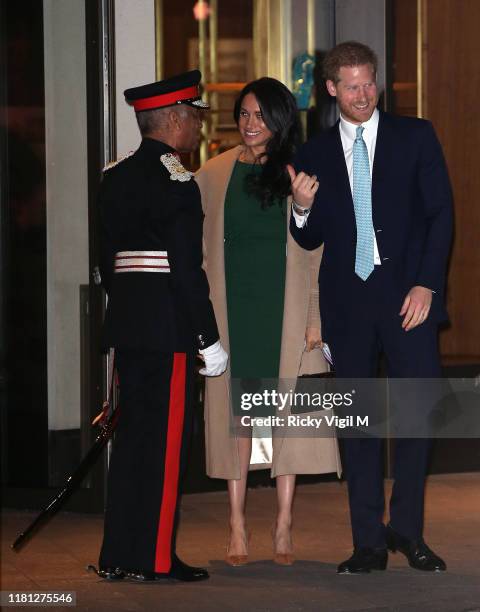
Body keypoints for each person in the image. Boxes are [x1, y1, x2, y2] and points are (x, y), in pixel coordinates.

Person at [289, 41, 453, 574]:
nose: (364, 95)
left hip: (409, 299)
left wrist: (427, 285)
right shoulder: (311, 153)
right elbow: (311, 239)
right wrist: (301, 207)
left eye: (370, 83)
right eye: (352, 86)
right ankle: (368, 542)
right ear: (332, 88)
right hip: (349, 304)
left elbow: (440, 216)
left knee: (415, 415)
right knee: (357, 423)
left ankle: (407, 530)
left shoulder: (416, 135)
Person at [196, 77, 341, 567]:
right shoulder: (212, 174)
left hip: (286, 310)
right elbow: (198, 251)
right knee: (236, 418)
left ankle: (283, 522)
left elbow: (319, 254)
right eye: (243, 114)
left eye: (259, 115)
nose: (249, 124)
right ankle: (236, 524)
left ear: (280, 119)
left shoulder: (300, 174)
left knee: (290, 418)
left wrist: (317, 323)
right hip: (232, 311)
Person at [96, 70, 228, 582]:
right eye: (195, 115)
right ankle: (152, 559)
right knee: (166, 448)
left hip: (129, 330)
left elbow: (109, 264)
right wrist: (209, 339)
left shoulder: (116, 176)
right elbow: (185, 271)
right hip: (170, 334)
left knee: (131, 446)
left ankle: (119, 556)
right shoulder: (177, 181)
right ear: (174, 119)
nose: (197, 126)